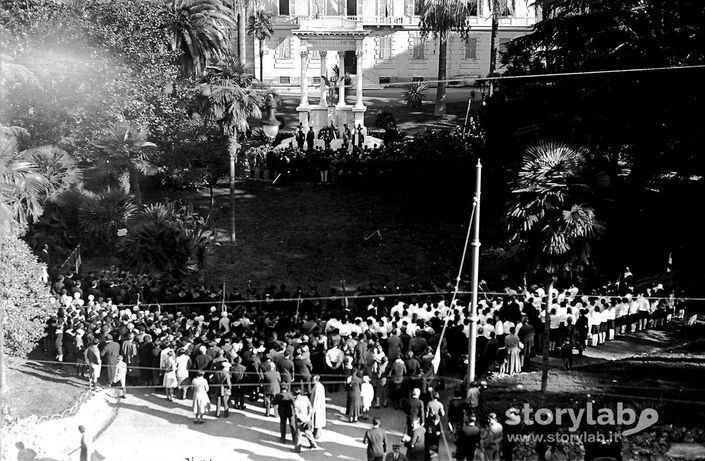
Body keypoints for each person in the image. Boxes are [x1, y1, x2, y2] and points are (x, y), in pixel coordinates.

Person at [293, 388, 318, 452]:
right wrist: (308, 417)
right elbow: (310, 408)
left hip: (300, 420)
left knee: (298, 435)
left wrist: (302, 419)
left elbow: (296, 414)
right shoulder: (306, 398)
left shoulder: (295, 402)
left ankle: (297, 449)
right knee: (308, 432)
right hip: (307, 418)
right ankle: (313, 444)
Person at [310, 375, 327, 439]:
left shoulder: (317, 387)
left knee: (317, 421)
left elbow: (316, 399)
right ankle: (317, 433)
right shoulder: (319, 386)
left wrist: (313, 408)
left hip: (317, 406)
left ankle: (316, 434)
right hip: (319, 406)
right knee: (317, 421)